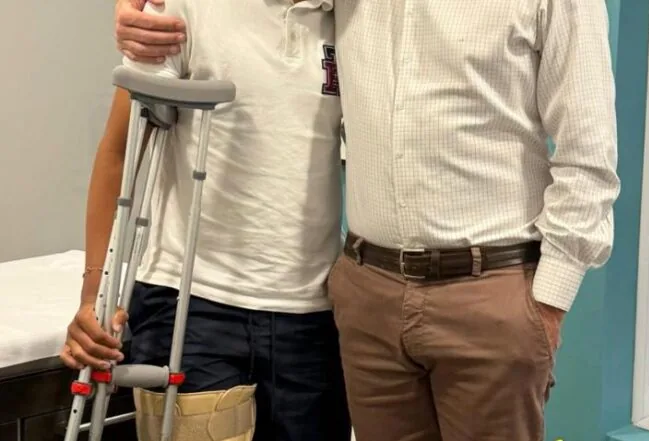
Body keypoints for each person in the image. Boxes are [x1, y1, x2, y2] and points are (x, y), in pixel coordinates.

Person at [114, 0, 621, 440]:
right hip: (368, 296)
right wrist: (137, 12)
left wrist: (546, 305)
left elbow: (589, 159)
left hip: (490, 294)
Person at [60, 1, 351, 440]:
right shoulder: (180, 8)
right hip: (191, 303)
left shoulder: (350, 19)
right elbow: (120, 150)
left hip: (312, 316)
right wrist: (92, 296)